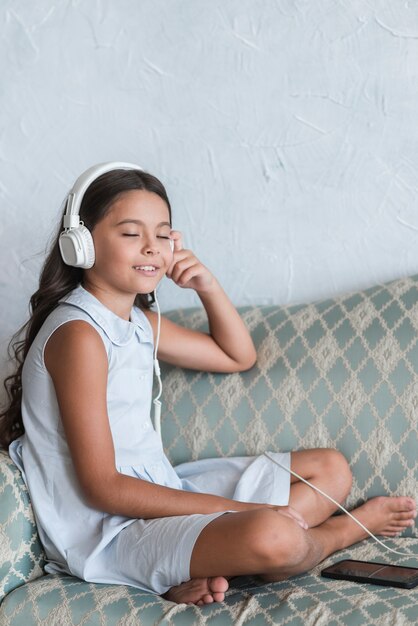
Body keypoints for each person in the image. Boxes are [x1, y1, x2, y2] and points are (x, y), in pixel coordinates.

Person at [0, 163, 416, 607]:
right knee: (273, 533)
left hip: (161, 491)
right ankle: (338, 533)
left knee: (329, 469)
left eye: (163, 234)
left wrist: (206, 285)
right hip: (112, 528)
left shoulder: (135, 321)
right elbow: (103, 488)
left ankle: (194, 566)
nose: (151, 248)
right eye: (130, 233)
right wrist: (246, 512)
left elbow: (238, 356)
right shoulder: (79, 333)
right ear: (80, 244)